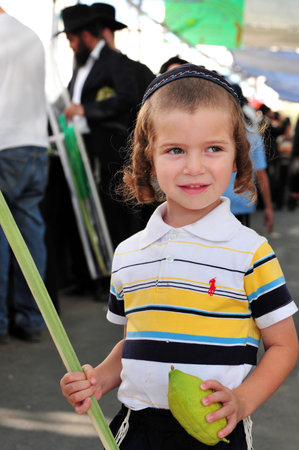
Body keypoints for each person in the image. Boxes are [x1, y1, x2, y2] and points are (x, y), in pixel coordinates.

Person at [60, 65, 298, 449]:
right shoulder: (129, 253)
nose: (194, 167)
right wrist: (100, 378)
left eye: (213, 149)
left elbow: (284, 345)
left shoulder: (251, 252)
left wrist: (242, 401)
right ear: (148, 159)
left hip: (215, 429)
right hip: (136, 429)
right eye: (175, 150)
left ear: (237, 156)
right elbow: (136, 341)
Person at [0, 7, 49, 343]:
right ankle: (31, 319)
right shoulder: (29, 35)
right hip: (36, 145)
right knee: (30, 234)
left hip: (5, 144)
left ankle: (0, 324)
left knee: (1, 238)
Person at [223, 84, 273, 233]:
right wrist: (269, 207)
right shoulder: (252, 134)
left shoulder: (211, 132)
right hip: (242, 202)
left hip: (213, 203)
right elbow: (261, 173)